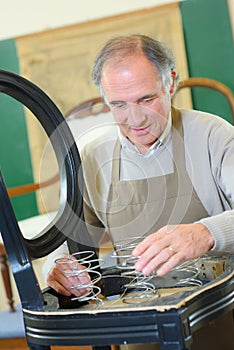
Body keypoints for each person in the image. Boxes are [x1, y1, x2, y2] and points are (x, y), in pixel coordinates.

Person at [43, 34, 234, 349]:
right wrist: (59, 268)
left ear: (170, 83)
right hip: (141, 327)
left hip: (222, 316)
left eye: (146, 99)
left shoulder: (214, 136)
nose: (135, 119)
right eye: (118, 104)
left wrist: (206, 232)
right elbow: (69, 242)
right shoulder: (91, 159)